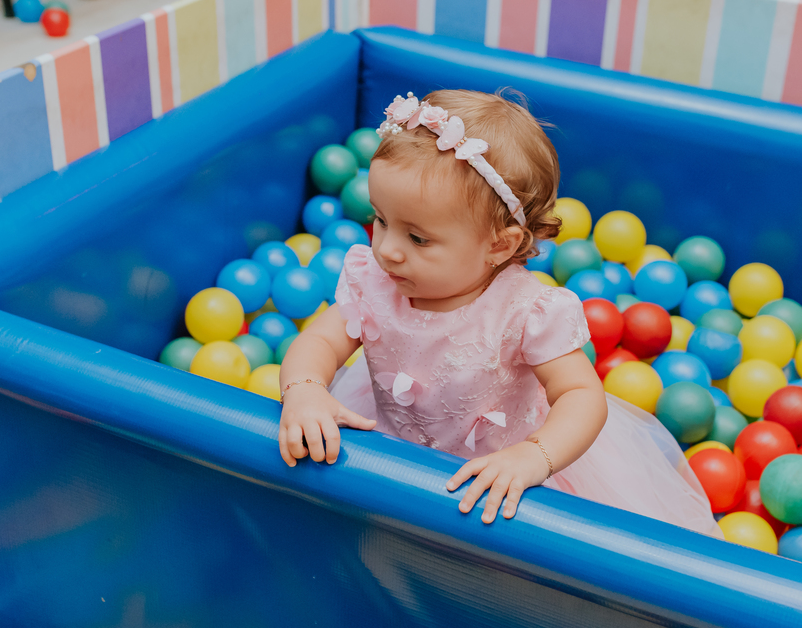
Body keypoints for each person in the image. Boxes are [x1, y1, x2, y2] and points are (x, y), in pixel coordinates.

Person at [278, 89, 720, 537]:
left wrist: (534, 457)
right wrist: (304, 389)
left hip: (512, 477)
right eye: (381, 220)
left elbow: (582, 396)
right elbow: (318, 341)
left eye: (418, 238)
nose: (387, 249)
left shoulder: (525, 312)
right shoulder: (375, 282)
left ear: (499, 245)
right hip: (398, 459)